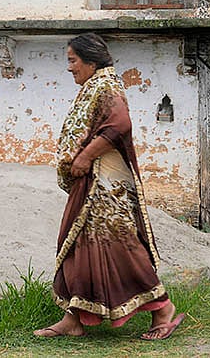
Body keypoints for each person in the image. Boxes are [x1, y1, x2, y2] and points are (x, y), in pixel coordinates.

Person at [34, 33, 185, 341]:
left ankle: (162, 309)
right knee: (79, 247)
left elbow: (120, 124)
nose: (70, 68)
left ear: (91, 61)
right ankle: (74, 317)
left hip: (105, 188)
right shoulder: (94, 86)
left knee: (120, 248)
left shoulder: (106, 86)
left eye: (73, 61)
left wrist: (86, 155)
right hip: (93, 185)